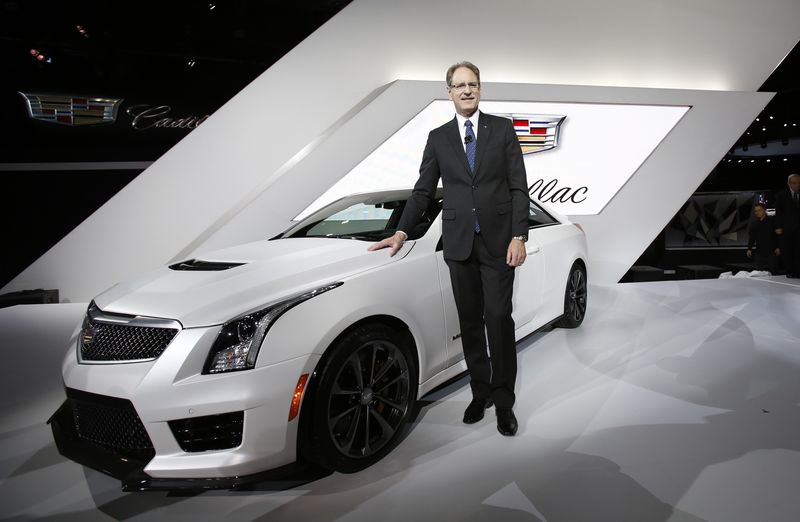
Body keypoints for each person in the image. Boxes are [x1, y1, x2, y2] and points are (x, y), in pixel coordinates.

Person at [369, 61, 529, 436]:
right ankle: (481, 392)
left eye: (472, 84)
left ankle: (504, 402)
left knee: (498, 319)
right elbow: (423, 191)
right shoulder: (438, 138)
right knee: (470, 323)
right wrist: (402, 231)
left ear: (480, 88)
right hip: (458, 244)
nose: (467, 90)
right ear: (449, 91)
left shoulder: (503, 130)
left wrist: (519, 235)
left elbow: (518, 186)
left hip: (498, 243)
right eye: (460, 85)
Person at [774, 173, 800, 278]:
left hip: (799, 229)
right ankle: (790, 271)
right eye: (794, 183)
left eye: (799, 183)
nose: (797, 185)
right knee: (787, 250)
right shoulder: (781, 195)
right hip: (786, 229)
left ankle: (798, 271)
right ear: (789, 183)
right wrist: (778, 226)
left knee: (798, 251)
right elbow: (778, 212)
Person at [746, 202, 780, 273]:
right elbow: (752, 237)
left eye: (759, 210)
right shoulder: (754, 224)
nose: (757, 212)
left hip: (772, 251)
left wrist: (778, 247)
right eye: (756, 211)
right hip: (760, 252)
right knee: (759, 272)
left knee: (773, 272)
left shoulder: (772, 221)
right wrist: (749, 248)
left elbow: (777, 236)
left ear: (764, 210)